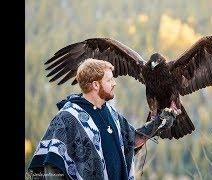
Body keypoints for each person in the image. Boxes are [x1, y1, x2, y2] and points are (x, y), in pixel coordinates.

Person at [27, 58, 178, 180]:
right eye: (109, 80)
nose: (114, 83)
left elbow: (131, 141)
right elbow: (51, 164)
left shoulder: (111, 114)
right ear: (95, 85)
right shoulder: (67, 118)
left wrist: (159, 123)